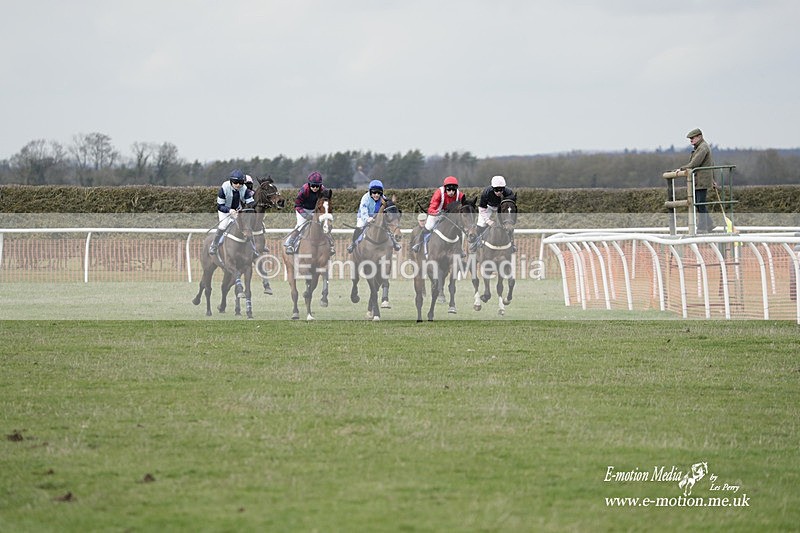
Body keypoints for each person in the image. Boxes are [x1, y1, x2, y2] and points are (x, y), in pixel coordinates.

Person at [284, 171, 335, 255]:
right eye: (313, 185)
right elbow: (297, 205)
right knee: (300, 225)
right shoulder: (304, 190)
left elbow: (325, 203)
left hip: (315, 210)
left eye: (317, 186)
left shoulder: (323, 190)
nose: (315, 188)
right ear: (309, 184)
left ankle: (330, 243)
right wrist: (305, 215)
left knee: (324, 224)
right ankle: (290, 243)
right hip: (302, 209)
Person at [411, 176, 465, 253]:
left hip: (450, 216)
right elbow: (431, 209)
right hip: (437, 214)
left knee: (459, 230)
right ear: (445, 188)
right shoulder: (439, 193)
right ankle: (418, 244)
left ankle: (461, 249)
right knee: (428, 226)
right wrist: (437, 213)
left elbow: (465, 204)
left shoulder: (459, 195)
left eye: (453, 190)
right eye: (449, 189)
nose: (451, 192)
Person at [346, 179, 402, 253]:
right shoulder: (365, 198)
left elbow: (388, 204)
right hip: (363, 217)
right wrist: (367, 218)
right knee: (359, 227)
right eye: (374, 193)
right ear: (370, 192)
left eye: (379, 193)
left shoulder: (383, 198)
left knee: (386, 227)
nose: (376, 195)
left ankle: (394, 243)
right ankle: (353, 244)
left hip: (376, 217)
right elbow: (363, 210)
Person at [209, 169, 255, 255]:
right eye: (235, 182)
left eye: (240, 182)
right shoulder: (224, 188)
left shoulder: (244, 188)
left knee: (247, 226)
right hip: (225, 210)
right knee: (223, 226)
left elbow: (250, 201)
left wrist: (254, 206)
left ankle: (253, 248)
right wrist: (229, 210)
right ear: (231, 181)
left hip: (237, 210)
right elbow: (220, 206)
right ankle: (214, 245)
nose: (238, 185)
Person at [679, 128, 716, 233]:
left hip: (702, 180)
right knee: (699, 203)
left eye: (692, 138)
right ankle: (708, 224)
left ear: (699, 137)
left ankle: (703, 226)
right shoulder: (700, 147)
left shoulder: (702, 148)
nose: (691, 140)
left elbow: (695, 163)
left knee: (700, 204)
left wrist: (681, 169)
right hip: (699, 180)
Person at [470, 175, 517, 252]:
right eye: (496, 190)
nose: (499, 192)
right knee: (481, 223)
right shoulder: (486, 192)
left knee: (508, 225)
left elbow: (510, 206)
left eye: (501, 190)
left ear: (504, 188)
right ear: (492, 188)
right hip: (488, 207)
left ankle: (512, 243)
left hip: (501, 207)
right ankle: (475, 243)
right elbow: (482, 209)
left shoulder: (509, 193)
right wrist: (488, 221)